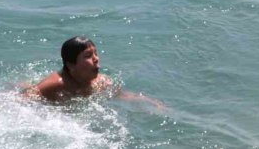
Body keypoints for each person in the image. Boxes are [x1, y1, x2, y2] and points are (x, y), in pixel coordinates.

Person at [22, 36, 163, 107]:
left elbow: (124, 96)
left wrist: (151, 102)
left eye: (96, 53)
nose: (96, 59)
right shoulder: (56, 84)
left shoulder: (102, 82)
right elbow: (23, 100)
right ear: (71, 65)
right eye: (88, 56)